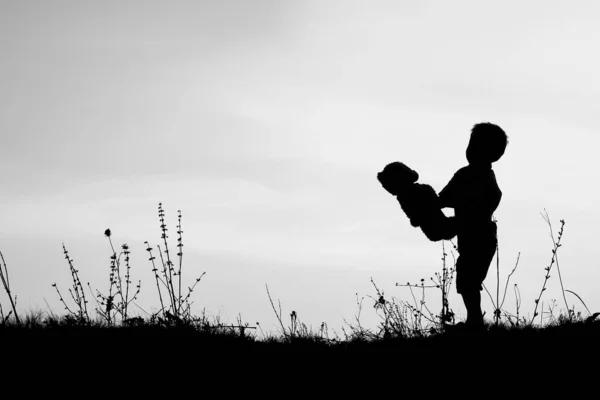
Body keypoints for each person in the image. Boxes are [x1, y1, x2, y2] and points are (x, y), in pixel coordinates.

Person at [438, 122, 508, 329]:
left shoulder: (468, 174)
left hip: (478, 235)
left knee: (468, 278)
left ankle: (475, 322)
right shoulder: (483, 175)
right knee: (469, 278)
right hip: (483, 236)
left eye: (473, 146)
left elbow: (444, 199)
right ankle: (474, 320)